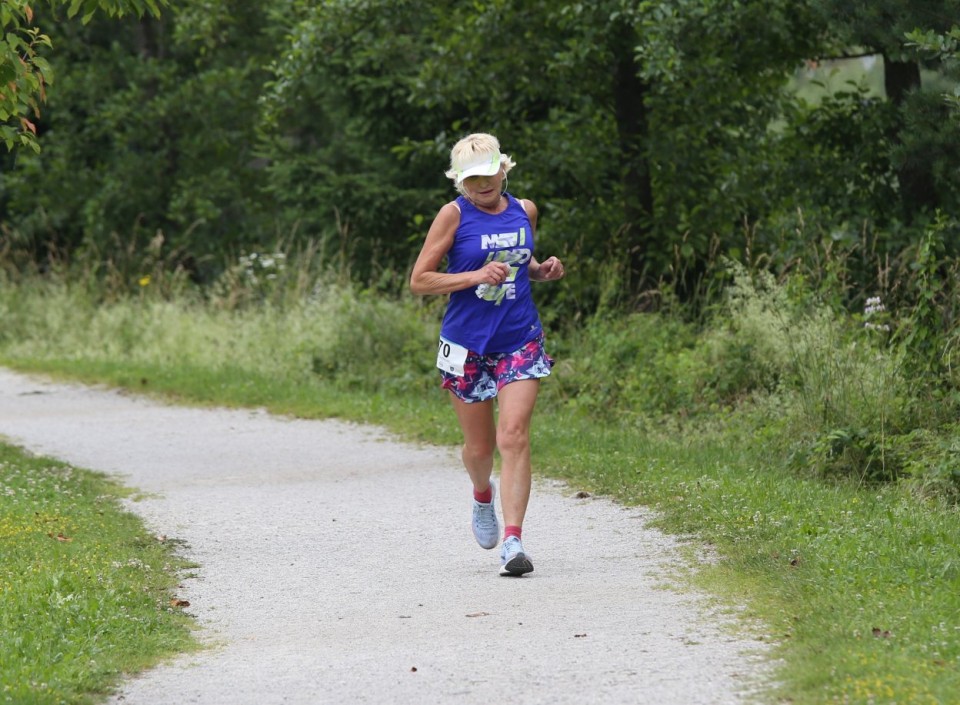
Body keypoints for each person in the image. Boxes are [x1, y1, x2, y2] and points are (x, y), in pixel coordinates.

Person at [409, 133, 565, 576]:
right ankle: (482, 494)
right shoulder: (453, 215)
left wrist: (542, 271)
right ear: (460, 181)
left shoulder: (525, 210)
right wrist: (474, 274)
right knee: (479, 448)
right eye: (472, 177)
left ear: (503, 169)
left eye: (488, 173)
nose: (482, 183)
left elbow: (521, 264)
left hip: (519, 339)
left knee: (512, 436)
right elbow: (420, 280)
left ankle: (513, 542)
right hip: (466, 346)